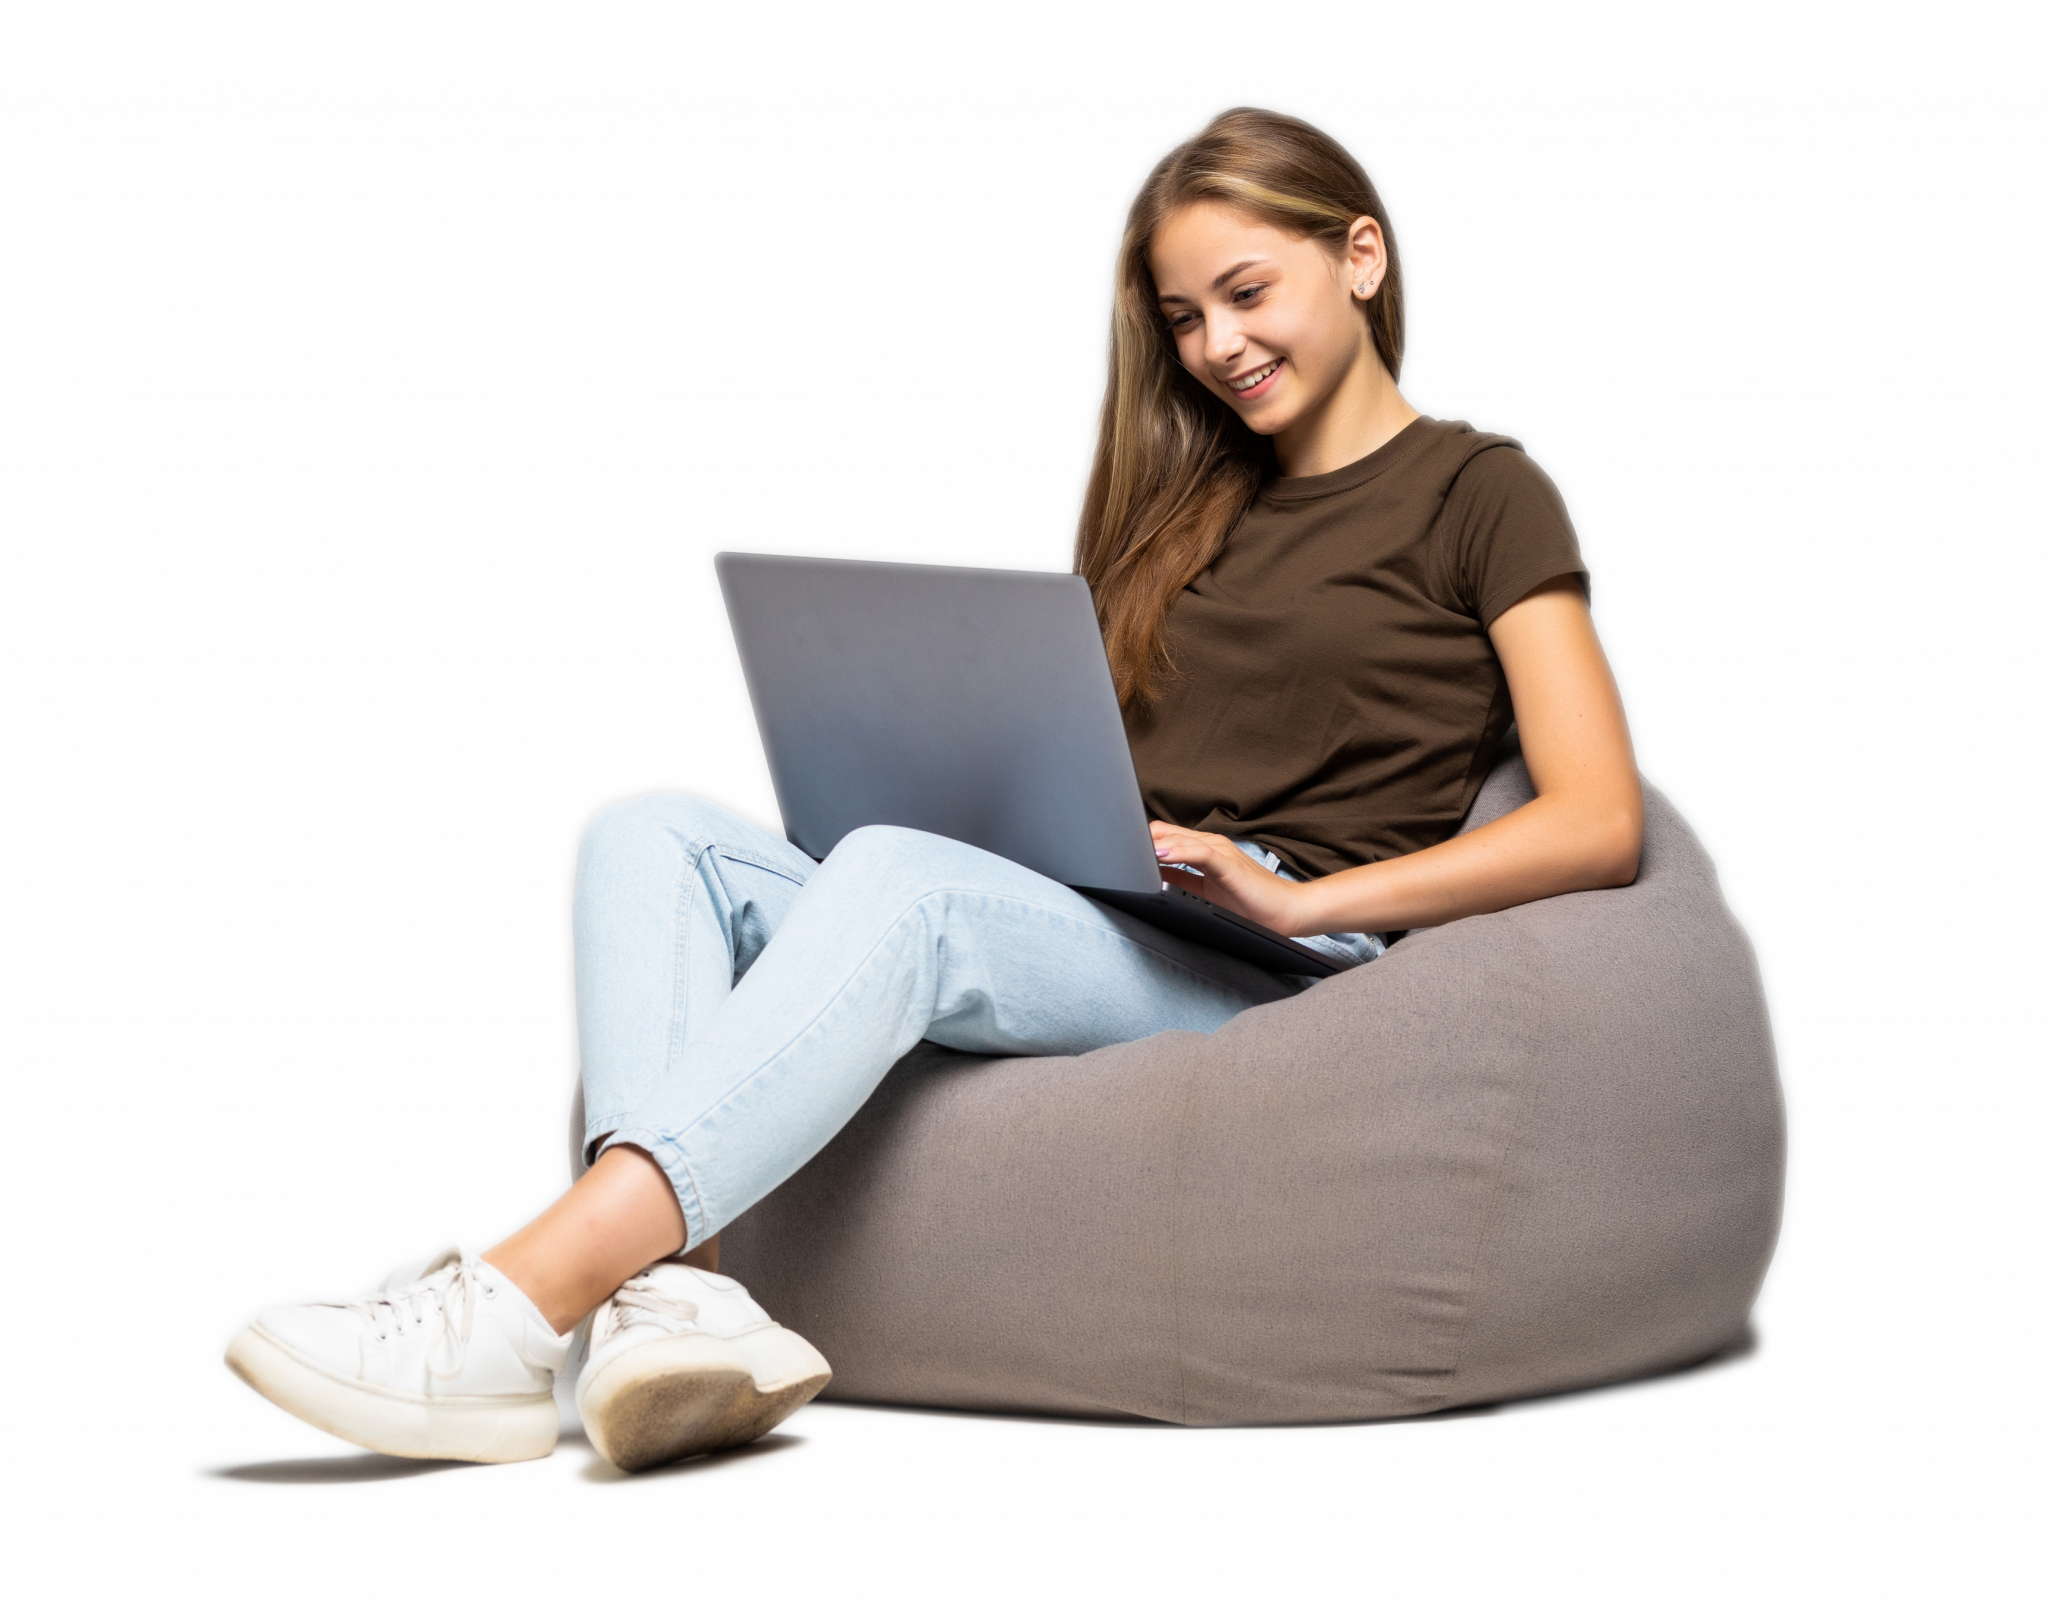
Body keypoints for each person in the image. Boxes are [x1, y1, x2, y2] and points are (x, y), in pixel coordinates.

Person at [221, 106, 1642, 1474]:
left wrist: (1300, 900)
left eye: (1247, 292)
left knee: (905, 884)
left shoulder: (1480, 488)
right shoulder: (1184, 506)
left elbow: (1596, 817)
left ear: (1361, 256)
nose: (1217, 345)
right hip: (1113, 909)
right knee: (644, 825)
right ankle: (675, 1307)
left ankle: (516, 1304)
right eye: (1182, 317)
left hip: (1272, 961)